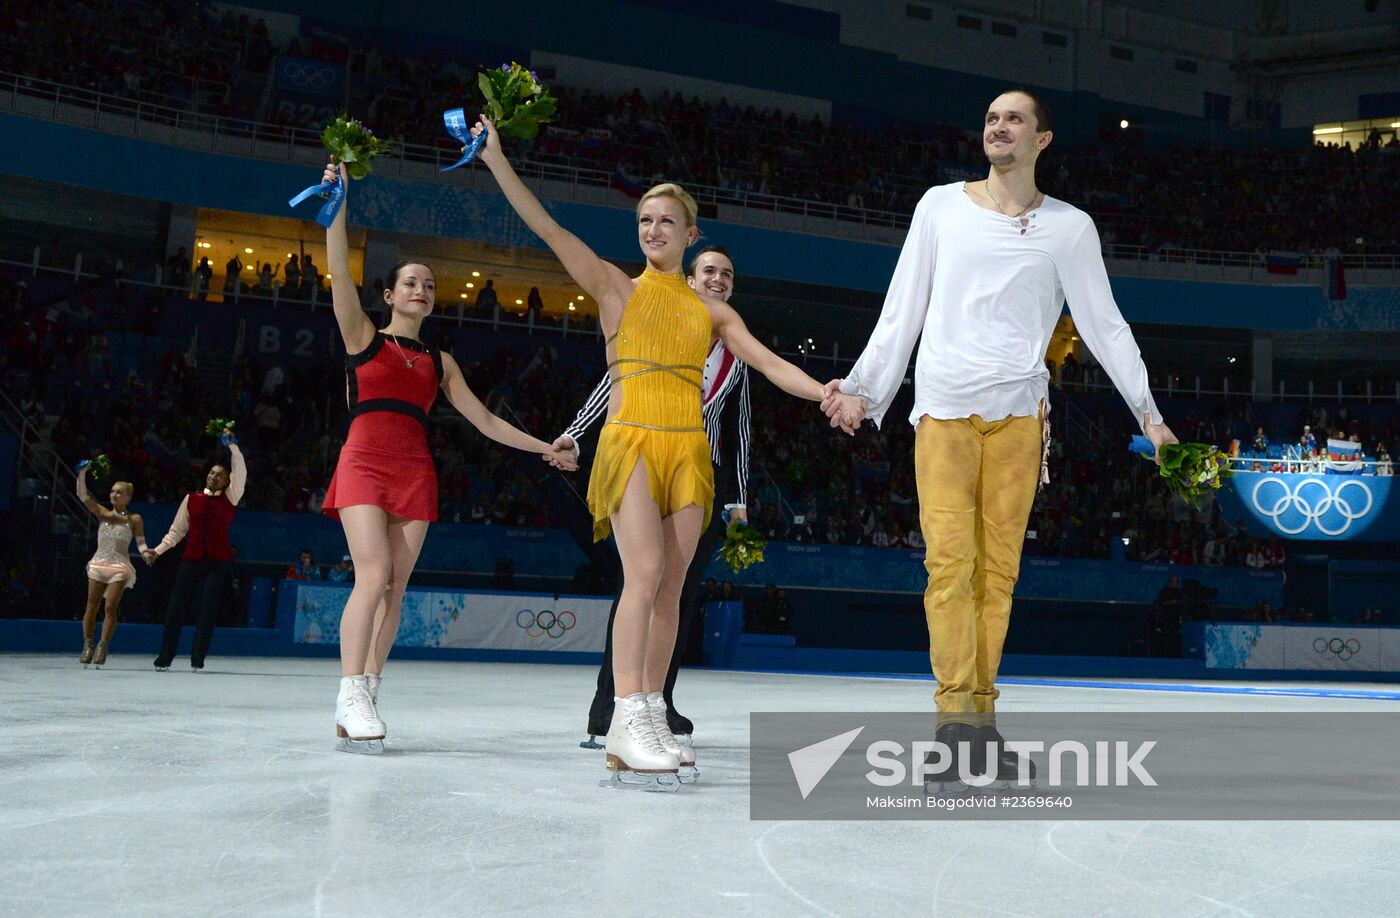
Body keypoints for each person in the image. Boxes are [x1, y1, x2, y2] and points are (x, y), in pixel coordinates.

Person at [470, 114, 842, 786]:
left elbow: (770, 363)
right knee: (642, 576)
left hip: (689, 453)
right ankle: (623, 716)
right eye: (645, 221)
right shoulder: (618, 287)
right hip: (631, 442)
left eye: (667, 222)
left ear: (690, 233)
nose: (654, 231)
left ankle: (649, 716)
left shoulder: (712, 312)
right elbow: (549, 229)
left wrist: (828, 394)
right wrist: (496, 159)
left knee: (670, 589)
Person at [822, 89, 1177, 788]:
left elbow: (1106, 326)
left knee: (998, 577)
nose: (998, 127)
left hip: (1020, 420)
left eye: (1014, 119)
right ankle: (955, 722)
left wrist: (1150, 414)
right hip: (945, 414)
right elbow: (904, 304)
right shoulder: (939, 207)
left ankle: (980, 727)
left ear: (1042, 140)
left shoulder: (1070, 228)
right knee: (949, 569)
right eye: (990, 118)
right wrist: (865, 388)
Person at [318, 159, 574, 755]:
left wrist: (547, 448)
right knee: (373, 573)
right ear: (388, 293)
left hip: (414, 470)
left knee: (395, 589)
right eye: (410, 283)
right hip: (362, 460)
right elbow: (337, 275)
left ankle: (369, 691)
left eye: (429, 285)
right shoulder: (362, 336)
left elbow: (485, 422)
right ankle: (349, 691)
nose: (421, 291)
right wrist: (339, 205)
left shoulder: (440, 361)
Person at [558, 246, 751, 750]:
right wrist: (576, 436)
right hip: (643, 452)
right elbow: (613, 384)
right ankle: (611, 707)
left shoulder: (734, 349)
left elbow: (741, 432)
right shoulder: (655, 323)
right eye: (709, 270)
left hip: (696, 474)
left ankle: (656, 701)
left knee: (678, 591)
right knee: (638, 584)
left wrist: (740, 500)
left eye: (726, 275)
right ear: (690, 279)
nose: (718, 279)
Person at [143, 430, 247, 672]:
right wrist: (157, 551)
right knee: (176, 607)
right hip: (191, 558)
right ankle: (165, 656)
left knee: (207, 611)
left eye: (220, 475)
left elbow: (240, 471)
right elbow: (176, 532)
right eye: (211, 473)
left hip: (218, 561)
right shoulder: (191, 499)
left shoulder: (231, 498)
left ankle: (197, 658)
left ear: (227, 481)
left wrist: (233, 447)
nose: (214, 476)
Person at [75, 465, 148, 668]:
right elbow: (83, 495)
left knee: (110, 607)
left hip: (119, 565)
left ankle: (103, 645)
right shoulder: (102, 513)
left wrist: (146, 553)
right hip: (99, 562)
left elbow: (141, 542)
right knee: (91, 605)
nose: (114, 495)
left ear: (127, 498)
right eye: (113, 491)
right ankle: (88, 644)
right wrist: (82, 474)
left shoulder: (134, 519)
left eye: (119, 492)